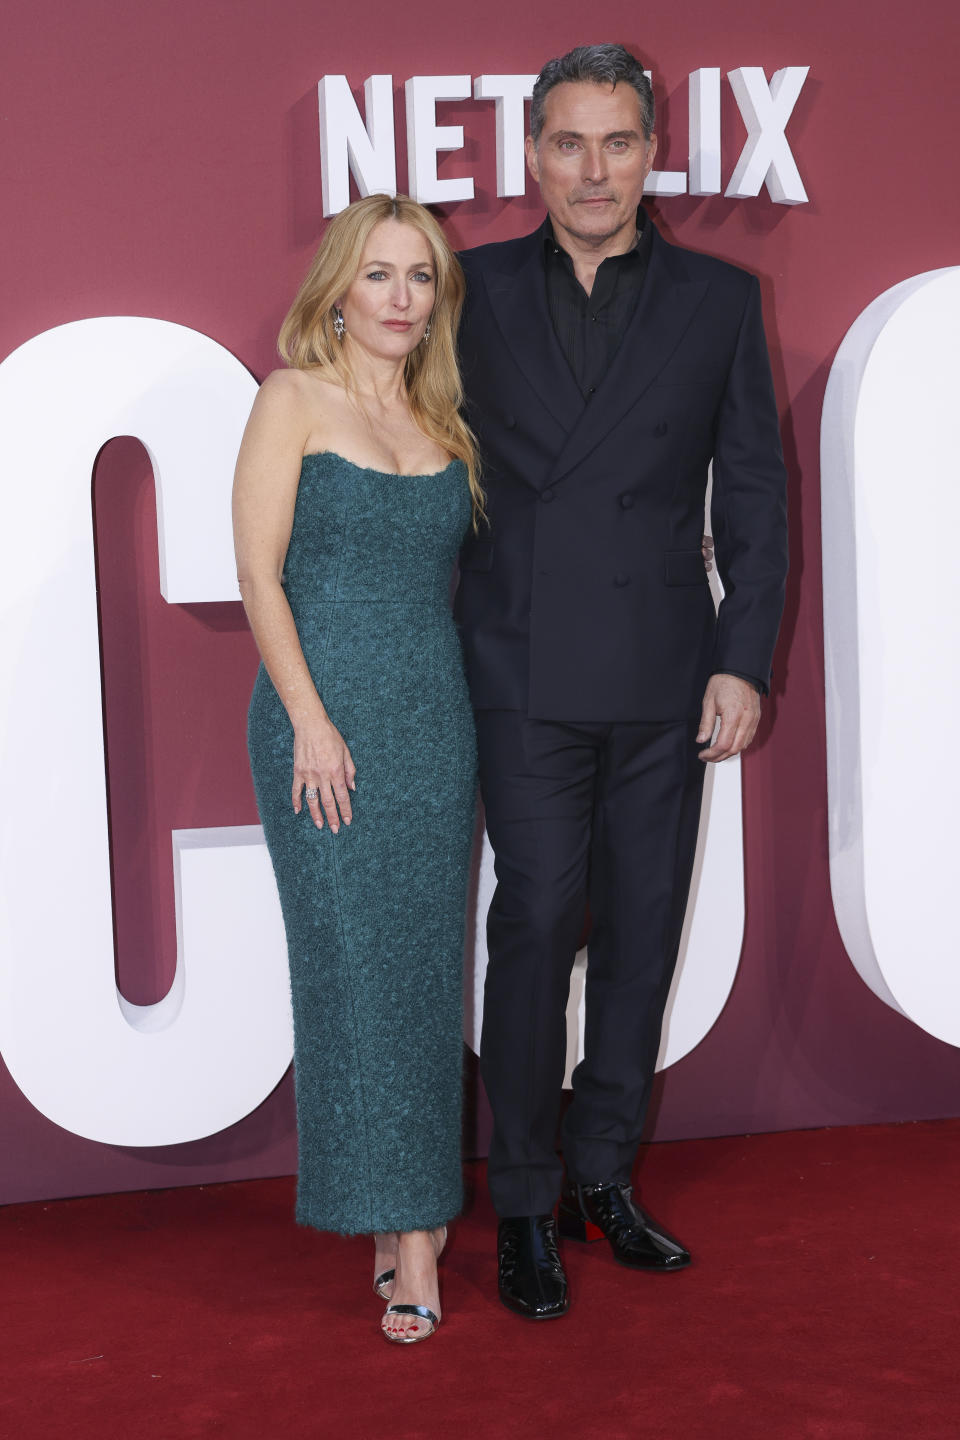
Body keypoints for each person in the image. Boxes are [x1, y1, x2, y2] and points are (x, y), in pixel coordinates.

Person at [455, 44, 789, 1318]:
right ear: (531, 154)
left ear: (654, 153)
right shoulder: (467, 290)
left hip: (662, 665)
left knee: (643, 927)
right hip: (518, 659)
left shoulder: (717, 297)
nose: (593, 170)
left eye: (618, 143)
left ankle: (604, 1176)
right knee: (539, 920)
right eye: (567, 144)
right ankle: (527, 1203)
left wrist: (741, 658)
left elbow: (754, 492)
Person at [233, 194, 481, 1344]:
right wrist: (311, 719)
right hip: (317, 725)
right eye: (379, 275)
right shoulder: (292, 398)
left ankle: (410, 1227)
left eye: (420, 277)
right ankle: (403, 1226)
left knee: (427, 975)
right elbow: (259, 576)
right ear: (338, 287)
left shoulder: (445, 415)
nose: (399, 298)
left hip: (432, 727)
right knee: (351, 974)